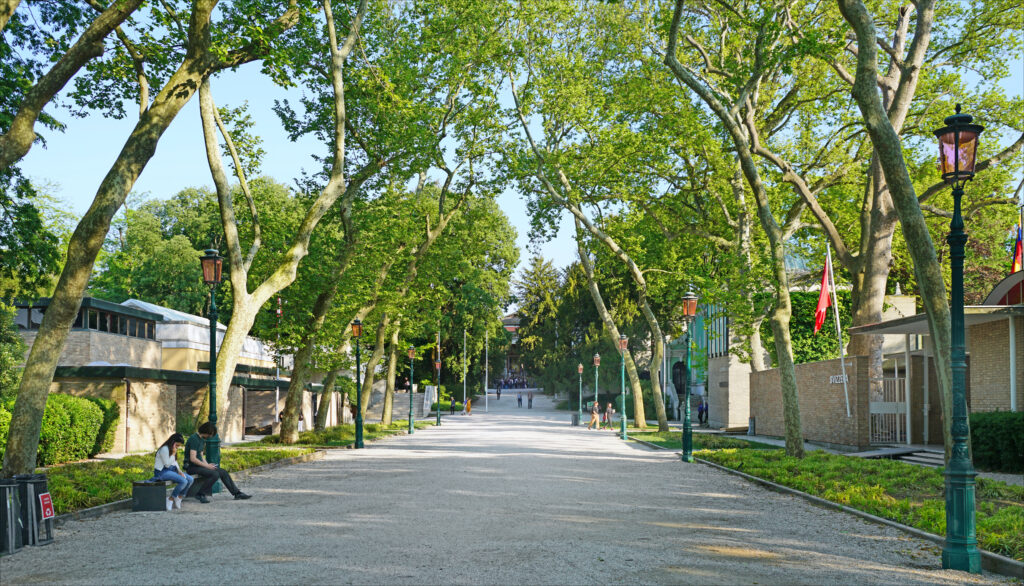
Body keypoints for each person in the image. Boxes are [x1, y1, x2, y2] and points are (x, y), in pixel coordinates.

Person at [185, 422, 252, 503]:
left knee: (223, 472)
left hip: (199, 466)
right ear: (206, 431)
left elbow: (201, 456)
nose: (210, 436)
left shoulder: (202, 440)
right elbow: (193, 459)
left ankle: (237, 493)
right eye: (210, 434)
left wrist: (207, 465)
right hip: (192, 467)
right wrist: (207, 467)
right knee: (214, 474)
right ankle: (200, 494)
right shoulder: (194, 439)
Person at [153, 433, 193, 510]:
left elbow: (174, 462)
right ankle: (170, 499)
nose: (177, 447)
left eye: (179, 446)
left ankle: (179, 497)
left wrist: (179, 471)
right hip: (161, 472)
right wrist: (173, 454)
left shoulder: (172, 448)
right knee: (183, 481)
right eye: (177, 445)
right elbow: (167, 464)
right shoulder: (164, 449)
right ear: (173, 442)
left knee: (190, 479)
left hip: (171, 470)